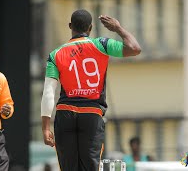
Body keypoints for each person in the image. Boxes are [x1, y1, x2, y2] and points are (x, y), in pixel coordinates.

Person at [41, 9, 141, 171]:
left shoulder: (55, 54)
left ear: (70, 26)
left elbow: (48, 93)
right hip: (92, 114)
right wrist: (118, 28)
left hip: (65, 113)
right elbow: (135, 48)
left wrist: (45, 128)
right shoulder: (101, 44)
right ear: (90, 28)